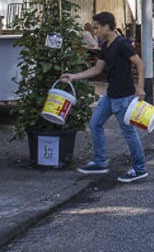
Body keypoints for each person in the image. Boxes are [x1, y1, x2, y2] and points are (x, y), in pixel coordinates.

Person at [60, 12, 148, 183]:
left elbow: (139, 63)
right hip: (110, 94)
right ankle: (100, 161)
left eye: (96, 27)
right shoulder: (105, 46)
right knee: (95, 123)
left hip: (123, 96)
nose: (94, 31)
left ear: (107, 26)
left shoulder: (122, 44)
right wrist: (73, 76)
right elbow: (97, 69)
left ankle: (140, 168)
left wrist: (140, 87)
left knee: (129, 133)